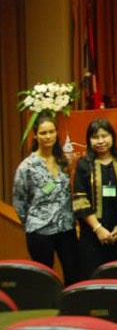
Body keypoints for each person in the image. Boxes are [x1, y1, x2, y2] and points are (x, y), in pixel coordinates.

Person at [13, 115, 81, 285]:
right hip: (40, 231)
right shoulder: (27, 166)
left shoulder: (62, 160)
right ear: (35, 135)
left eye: (51, 132)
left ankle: (71, 310)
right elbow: (19, 201)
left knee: (74, 273)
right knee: (45, 279)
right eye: (43, 133)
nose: (48, 136)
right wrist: (33, 222)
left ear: (57, 133)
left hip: (66, 227)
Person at [72, 118, 117, 278]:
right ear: (89, 140)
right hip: (92, 234)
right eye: (95, 137)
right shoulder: (84, 164)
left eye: (105, 136)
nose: (100, 141)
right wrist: (98, 229)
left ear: (112, 137)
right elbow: (80, 200)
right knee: (93, 277)